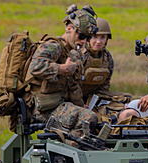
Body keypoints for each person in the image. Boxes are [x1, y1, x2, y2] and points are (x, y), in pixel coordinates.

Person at [26, 4, 99, 138]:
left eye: (88, 38)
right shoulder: (54, 46)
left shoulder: (73, 53)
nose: (84, 42)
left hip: (61, 106)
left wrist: (80, 106)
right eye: (82, 36)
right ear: (69, 29)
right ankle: (68, 149)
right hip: (45, 110)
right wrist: (61, 69)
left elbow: (73, 87)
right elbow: (35, 67)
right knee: (88, 118)